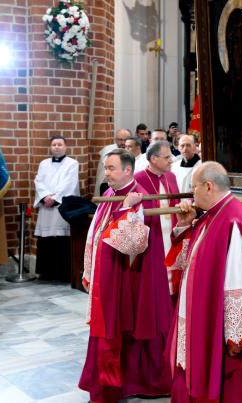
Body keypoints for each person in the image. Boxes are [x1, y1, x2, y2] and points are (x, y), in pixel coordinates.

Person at [166, 161, 242, 401]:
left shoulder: (234, 219)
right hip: (200, 318)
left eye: (194, 187)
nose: (192, 193)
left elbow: (239, 279)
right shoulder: (212, 215)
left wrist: (237, 336)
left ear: (208, 186)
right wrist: (184, 226)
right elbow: (186, 262)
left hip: (220, 329)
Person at [79, 149, 173, 402]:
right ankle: (109, 383)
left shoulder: (140, 196)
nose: (106, 173)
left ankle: (118, 385)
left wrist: (126, 209)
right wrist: (90, 269)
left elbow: (133, 243)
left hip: (127, 276)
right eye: (106, 168)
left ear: (127, 170)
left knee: (118, 329)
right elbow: (96, 231)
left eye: (111, 168)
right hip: (108, 274)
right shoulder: (111, 192)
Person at [134, 141, 181, 298]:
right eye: (167, 157)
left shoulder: (171, 177)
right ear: (154, 158)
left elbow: (177, 204)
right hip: (153, 238)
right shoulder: (138, 179)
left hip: (172, 236)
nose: (171, 160)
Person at [33, 135, 79, 281]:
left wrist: (55, 198)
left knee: (61, 238)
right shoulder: (43, 163)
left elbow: (70, 183)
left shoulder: (72, 163)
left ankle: (62, 273)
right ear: (50, 147)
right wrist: (45, 196)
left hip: (61, 207)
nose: (57, 147)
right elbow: (38, 181)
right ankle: (46, 273)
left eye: (60, 144)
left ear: (65, 147)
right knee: (46, 239)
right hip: (46, 208)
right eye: (54, 145)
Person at [94, 128, 129, 196]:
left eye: (125, 140)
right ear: (115, 139)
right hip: (107, 184)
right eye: (120, 140)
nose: (123, 142)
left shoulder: (130, 150)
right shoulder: (108, 150)